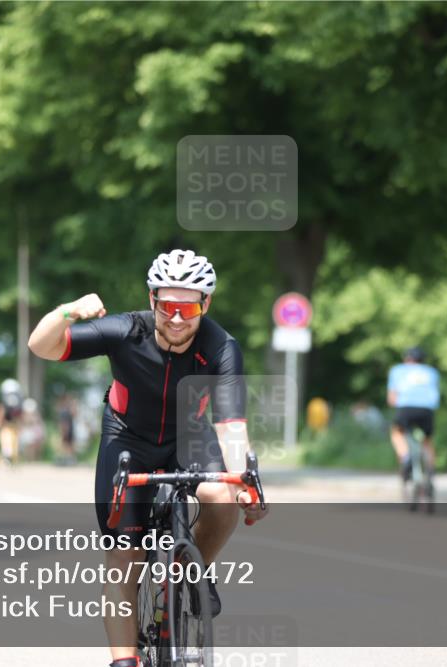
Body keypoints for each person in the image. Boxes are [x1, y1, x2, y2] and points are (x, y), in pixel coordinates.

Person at [27, 249, 268, 667]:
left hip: (189, 437)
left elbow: (230, 426)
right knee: (125, 558)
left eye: (188, 306)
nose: (176, 318)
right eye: (167, 305)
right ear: (152, 300)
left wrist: (244, 480)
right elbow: (41, 345)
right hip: (127, 440)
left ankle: (188, 574)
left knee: (223, 496)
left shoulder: (221, 346)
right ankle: (125, 660)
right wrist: (68, 312)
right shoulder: (125, 330)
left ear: (205, 304)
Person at [387, 346, 441, 482]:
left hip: (405, 408)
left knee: (397, 433)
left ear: (407, 358)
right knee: (427, 441)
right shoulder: (432, 372)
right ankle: (430, 470)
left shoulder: (398, 370)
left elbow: (392, 399)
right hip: (426, 410)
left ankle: (406, 457)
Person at [0, 378, 24, 465]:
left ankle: (9, 455)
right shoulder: (17, 402)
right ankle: (10, 456)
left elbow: (0, 413)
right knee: (10, 441)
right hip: (11, 426)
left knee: (8, 439)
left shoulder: (6, 403)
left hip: (9, 426)